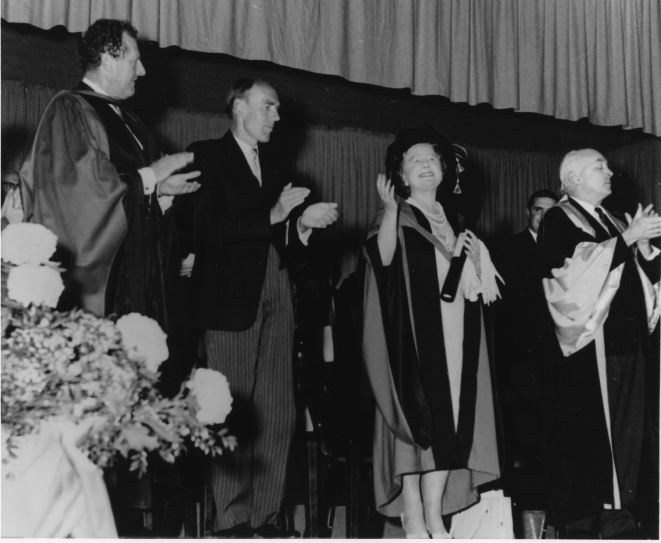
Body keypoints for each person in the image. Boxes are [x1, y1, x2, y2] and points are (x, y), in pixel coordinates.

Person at [178, 77, 338, 537]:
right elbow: (204, 229)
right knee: (232, 409)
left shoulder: (279, 163)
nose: (277, 117)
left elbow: (281, 235)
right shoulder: (206, 155)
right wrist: (271, 216)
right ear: (239, 107)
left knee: (277, 410)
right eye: (268, 107)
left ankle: (267, 519)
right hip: (229, 300)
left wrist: (302, 224)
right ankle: (231, 522)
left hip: (278, 289)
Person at [361, 127, 501, 538]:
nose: (424, 165)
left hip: (456, 337)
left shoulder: (456, 222)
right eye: (413, 161)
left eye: (431, 160)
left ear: (444, 171)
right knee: (416, 424)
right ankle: (413, 515)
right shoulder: (398, 217)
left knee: (450, 425)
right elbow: (382, 262)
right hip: (415, 343)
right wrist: (388, 211)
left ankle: (436, 514)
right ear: (401, 176)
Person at [20, 18, 200, 323]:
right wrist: (148, 179)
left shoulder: (134, 125)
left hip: (137, 280)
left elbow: (139, 199)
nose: (142, 71)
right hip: (100, 287)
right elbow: (79, 194)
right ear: (108, 60)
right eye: (134, 60)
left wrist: (161, 195)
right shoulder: (71, 110)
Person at [538, 149, 661, 538]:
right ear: (573, 178)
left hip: (628, 343)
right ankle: (591, 519)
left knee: (630, 432)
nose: (610, 172)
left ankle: (622, 516)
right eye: (599, 167)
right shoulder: (559, 218)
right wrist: (627, 239)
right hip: (593, 347)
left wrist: (642, 248)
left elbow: (635, 271)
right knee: (595, 437)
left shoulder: (609, 218)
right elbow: (568, 273)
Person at [494, 189, 558, 521]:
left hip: (556, 355)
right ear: (526, 212)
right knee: (525, 437)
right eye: (538, 211)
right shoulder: (508, 248)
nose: (544, 217)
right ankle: (527, 517)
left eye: (551, 211)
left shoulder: (565, 249)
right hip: (519, 357)